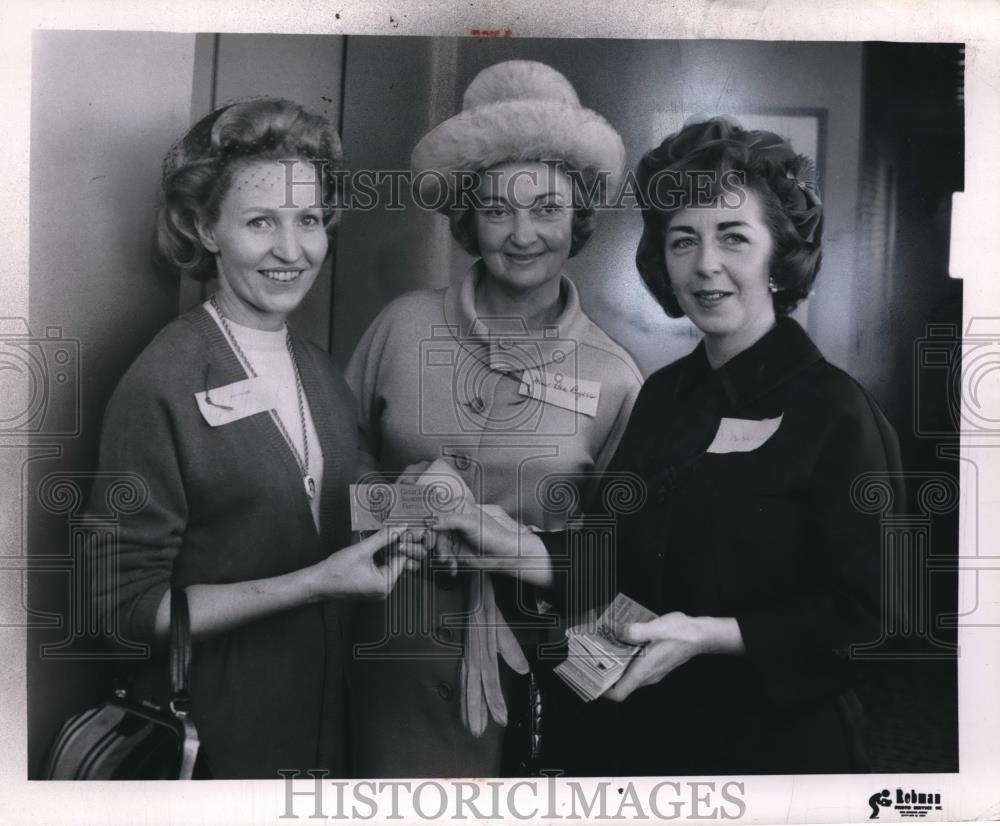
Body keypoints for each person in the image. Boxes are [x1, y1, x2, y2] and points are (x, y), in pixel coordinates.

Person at [436, 117, 904, 775]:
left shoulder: (835, 412)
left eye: (734, 238)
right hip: (642, 740)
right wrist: (511, 543)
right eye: (684, 241)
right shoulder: (662, 396)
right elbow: (614, 561)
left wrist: (709, 635)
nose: (706, 265)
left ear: (779, 256)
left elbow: (877, 618)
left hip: (771, 754)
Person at [88, 98, 423, 779]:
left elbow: (343, 500)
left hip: (325, 731)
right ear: (204, 227)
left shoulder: (320, 372)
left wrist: (417, 499)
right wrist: (313, 584)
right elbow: (122, 610)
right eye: (261, 222)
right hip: (216, 740)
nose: (292, 250)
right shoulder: (164, 379)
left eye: (308, 221)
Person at [345, 60, 643, 777]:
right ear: (467, 220)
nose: (522, 233)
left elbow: (622, 561)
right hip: (390, 659)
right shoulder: (400, 328)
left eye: (546, 208)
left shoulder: (617, 377)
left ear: (579, 218)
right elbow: (332, 490)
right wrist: (414, 503)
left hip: (537, 677)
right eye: (498, 209)